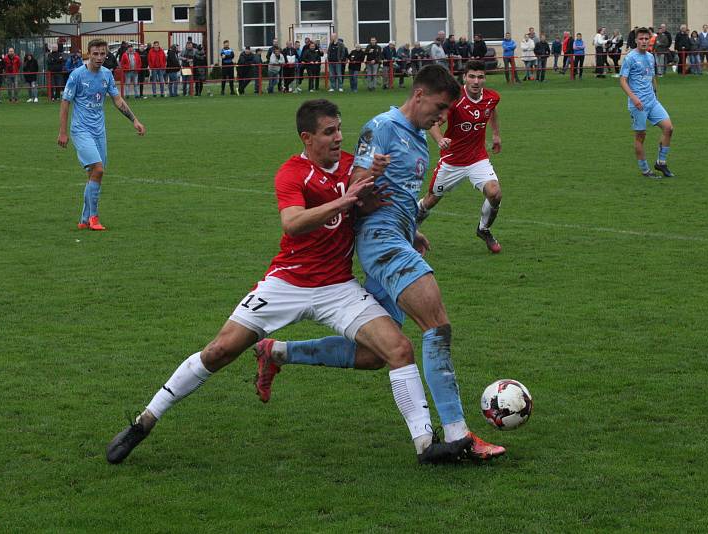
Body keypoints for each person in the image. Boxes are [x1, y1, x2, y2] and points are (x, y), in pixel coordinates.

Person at [105, 98, 474, 466]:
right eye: (328, 132)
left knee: (397, 350)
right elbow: (293, 222)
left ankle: (427, 446)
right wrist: (345, 201)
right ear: (307, 137)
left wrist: (403, 231)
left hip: (337, 287)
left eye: (339, 129)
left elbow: (372, 206)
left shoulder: (351, 166)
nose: (338, 138)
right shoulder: (291, 173)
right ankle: (144, 421)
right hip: (286, 283)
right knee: (220, 350)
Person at [257, 66, 506, 461]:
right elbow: (357, 191)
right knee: (436, 325)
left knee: (377, 354)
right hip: (380, 243)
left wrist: (410, 231)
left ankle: (278, 351)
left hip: (395, 239)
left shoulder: (420, 141)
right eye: (440, 108)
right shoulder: (383, 127)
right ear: (420, 94)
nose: (442, 117)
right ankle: (459, 436)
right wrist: (372, 187)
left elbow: (399, 197)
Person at [58, 38, 146, 231]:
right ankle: (94, 218)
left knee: (94, 175)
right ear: (88, 54)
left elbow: (117, 100)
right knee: (98, 170)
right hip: (81, 130)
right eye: (95, 54)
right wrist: (63, 132)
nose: (99, 57)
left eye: (102, 54)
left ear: (107, 54)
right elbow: (65, 103)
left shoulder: (107, 75)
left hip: (99, 131)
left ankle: (83, 219)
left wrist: (135, 120)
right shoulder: (77, 76)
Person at [415, 60, 502, 254]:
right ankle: (409, 227)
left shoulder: (491, 97)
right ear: (465, 77)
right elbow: (434, 121)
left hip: (478, 158)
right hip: (452, 161)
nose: (476, 81)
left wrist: (495, 134)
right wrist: (439, 139)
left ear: (485, 79)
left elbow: (492, 110)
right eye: (472, 76)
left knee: (495, 193)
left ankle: (484, 229)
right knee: (430, 200)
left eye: (480, 77)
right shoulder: (455, 100)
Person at [619, 27, 675, 178]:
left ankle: (661, 163)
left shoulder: (650, 57)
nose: (644, 41)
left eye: (646, 39)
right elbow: (622, 80)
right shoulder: (630, 58)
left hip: (652, 102)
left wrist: (656, 94)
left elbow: (652, 76)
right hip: (638, 105)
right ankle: (645, 170)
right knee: (640, 137)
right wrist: (634, 98)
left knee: (669, 128)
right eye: (641, 39)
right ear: (636, 40)